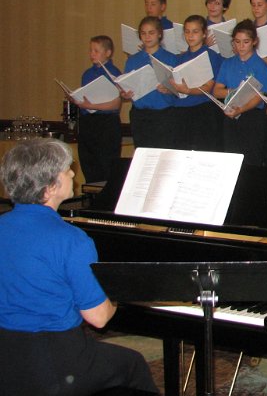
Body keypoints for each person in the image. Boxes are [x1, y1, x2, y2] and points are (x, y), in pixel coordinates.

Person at [0, 139, 158, 396]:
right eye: (66, 170)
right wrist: (119, 293)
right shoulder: (71, 239)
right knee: (133, 364)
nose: (73, 174)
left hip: (6, 357)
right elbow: (99, 318)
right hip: (55, 361)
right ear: (50, 188)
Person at [213, 20, 267, 166]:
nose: (241, 46)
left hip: (251, 116)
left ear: (254, 42)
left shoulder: (261, 66)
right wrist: (233, 91)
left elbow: (258, 97)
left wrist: (241, 109)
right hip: (230, 114)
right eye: (237, 42)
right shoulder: (228, 63)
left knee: (251, 159)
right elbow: (217, 91)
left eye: (246, 42)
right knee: (231, 159)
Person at [121, 16, 177, 148]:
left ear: (159, 34)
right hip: (139, 115)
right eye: (143, 33)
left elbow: (180, 90)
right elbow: (125, 87)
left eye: (151, 33)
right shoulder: (132, 60)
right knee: (141, 152)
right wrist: (124, 94)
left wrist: (169, 90)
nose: (147, 37)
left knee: (162, 154)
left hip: (164, 115)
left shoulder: (171, 59)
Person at [170, 15, 224, 152]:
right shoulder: (180, 58)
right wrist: (169, 87)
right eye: (187, 31)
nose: (190, 35)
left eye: (195, 31)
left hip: (202, 110)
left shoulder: (212, 56)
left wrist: (188, 90)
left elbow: (209, 86)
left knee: (203, 152)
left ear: (204, 33)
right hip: (180, 110)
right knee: (181, 152)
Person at [73, 35, 122, 184]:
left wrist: (91, 106)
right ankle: (91, 194)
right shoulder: (87, 74)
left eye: (96, 51)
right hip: (87, 122)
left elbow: (116, 104)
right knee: (88, 163)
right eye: (91, 50)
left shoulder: (114, 74)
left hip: (106, 124)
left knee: (106, 166)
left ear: (108, 53)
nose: (92, 54)